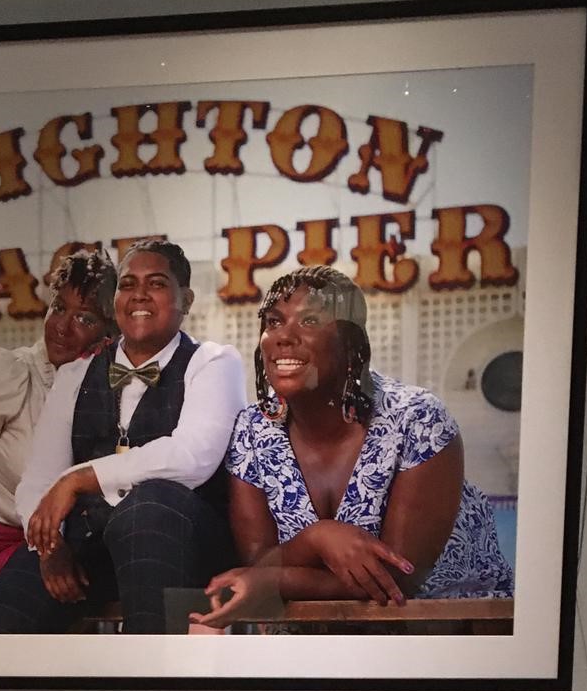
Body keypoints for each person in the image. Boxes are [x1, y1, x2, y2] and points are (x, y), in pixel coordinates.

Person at [192, 265, 514, 628]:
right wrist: (317, 538)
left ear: (350, 342)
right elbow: (257, 563)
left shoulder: (416, 419)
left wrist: (277, 578)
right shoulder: (253, 431)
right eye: (274, 321)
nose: (284, 336)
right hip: (313, 644)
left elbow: (395, 580)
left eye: (309, 321)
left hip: (452, 634)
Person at [0, 239, 246, 634]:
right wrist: (50, 547)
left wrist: (78, 478)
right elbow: (40, 479)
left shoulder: (214, 361)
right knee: (4, 615)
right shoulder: (75, 375)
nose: (139, 294)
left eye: (156, 283)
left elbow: (193, 457)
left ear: (185, 300)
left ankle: (152, 688)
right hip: (91, 545)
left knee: (152, 502)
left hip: (182, 544)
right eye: (127, 284)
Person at [0, 250, 117, 607]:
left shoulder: (112, 391)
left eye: (84, 318)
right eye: (58, 308)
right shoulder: (7, 374)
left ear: (110, 331)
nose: (62, 326)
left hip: (62, 543)